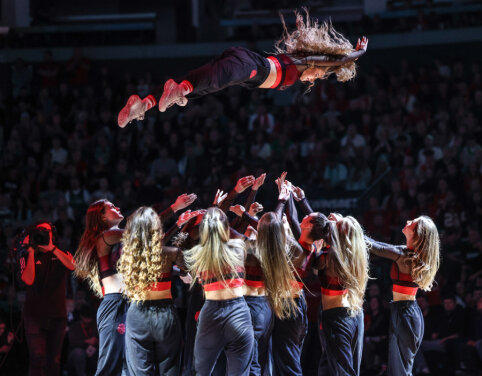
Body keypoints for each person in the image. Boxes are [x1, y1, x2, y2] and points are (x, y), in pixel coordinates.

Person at [118, 9, 368, 127]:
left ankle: (143, 103)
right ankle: (178, 89)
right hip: (249, 66)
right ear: (316, 63)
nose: (316, 78)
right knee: (208, 83)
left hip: (246, 66)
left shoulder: (298, 64)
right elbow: (332, 61)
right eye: (319, 74)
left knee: (199, 87)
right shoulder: (304, 63)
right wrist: (357, 53)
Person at [74, 195, 196, 375]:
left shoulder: (121, 240)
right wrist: (173, 209)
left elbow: (152, 246)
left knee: (127, 367)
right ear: (102, 217)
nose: (117, 207)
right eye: (111, 207)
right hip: (115, 304)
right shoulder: (106, 236)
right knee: (110, 365)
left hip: (129, 303)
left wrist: (177, 226)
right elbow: (143, 229)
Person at [287, 186, 369, 376]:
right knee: (329, 367)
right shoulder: (348, 252)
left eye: (335, 222)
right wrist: (303, 201)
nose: (330, 218)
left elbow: (313, 230)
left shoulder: (331, 256)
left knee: (341, 369)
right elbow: (319, 229)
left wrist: (293, 200)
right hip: (350, 314)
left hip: (337, 317)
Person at [117, 207, 192, 376]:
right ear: (157, 228)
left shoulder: (127, 255)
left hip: (137, 316)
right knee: (169, 369)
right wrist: (182, 228)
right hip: (165, 316)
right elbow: (188, 270)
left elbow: (148, 255)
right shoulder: (171, 253)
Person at [184, 207, 254, 376]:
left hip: (211, 314)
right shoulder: (238, 246)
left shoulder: (196, 254)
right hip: (238, 311)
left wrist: (187, 222)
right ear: (225, 227)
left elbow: (185, 240)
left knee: (201, 371)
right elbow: (251, 240)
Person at [367, 216, 440, 376]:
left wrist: (348, 227)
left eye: (412, 222)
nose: (407, 221)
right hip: (406, 312)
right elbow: (380, 246)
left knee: (400, 370)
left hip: (405, 313)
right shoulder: (406, 253)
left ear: (417, 233)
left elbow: (373, 246)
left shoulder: (406, 256)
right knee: (399, 369)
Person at [16, 221, 75, 376]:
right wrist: (30, 252)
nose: (43, 235)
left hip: (57, 316)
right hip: (34, 315)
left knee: (54, 360)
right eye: (40, 232)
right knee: (37, 357)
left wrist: (51, 248)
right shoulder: (25, 254)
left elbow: (72, 266)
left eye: (46, 232)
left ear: (52, 235)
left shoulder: (61, 252)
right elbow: (28, 280)